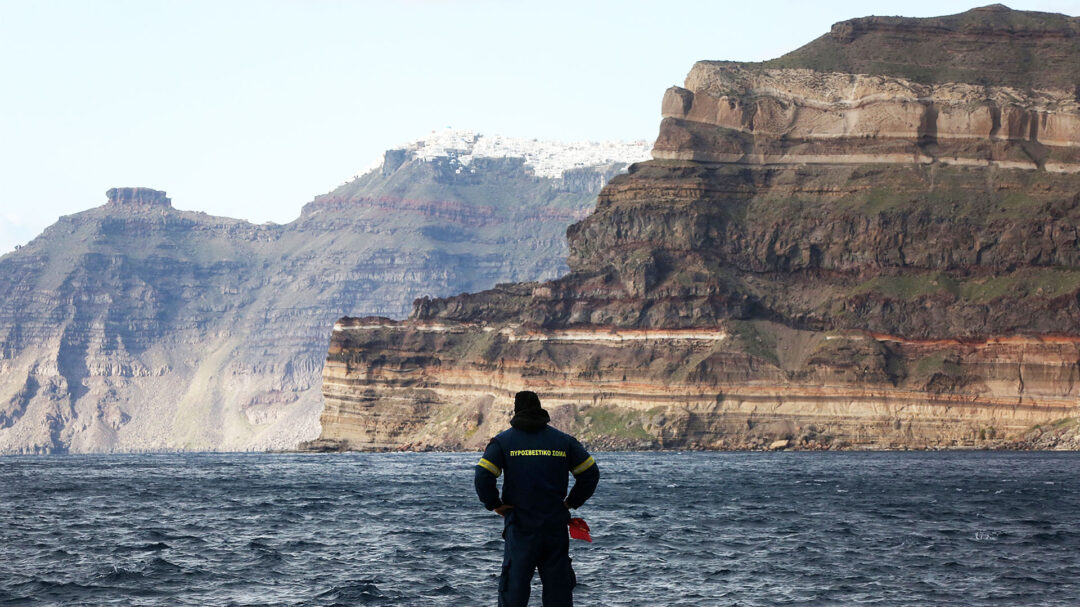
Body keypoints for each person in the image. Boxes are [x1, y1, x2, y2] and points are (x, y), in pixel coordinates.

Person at [474, 390, 600, 607]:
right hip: (554, 524)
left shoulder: (503, 442)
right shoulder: (563, 441)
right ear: (540, 408)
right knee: (558, 589)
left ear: (516, 410)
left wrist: (495, 505)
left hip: (520, 525)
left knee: (514, 587)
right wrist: (571, 502)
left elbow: (483, 476)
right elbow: (590, 474)